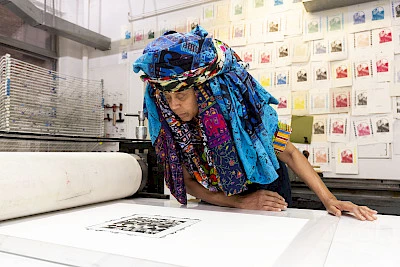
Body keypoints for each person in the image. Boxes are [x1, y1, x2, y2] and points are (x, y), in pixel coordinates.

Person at [133, 26, 377, 221]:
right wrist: (238, 202)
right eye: (167, 97)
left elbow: (290, 153)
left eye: (182, 96)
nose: (174, 105)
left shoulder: (246, 114)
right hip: (221, 201)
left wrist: (329, 199)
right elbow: (186, 181)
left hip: (269, 195)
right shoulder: (172, 127)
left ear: (204, 90)